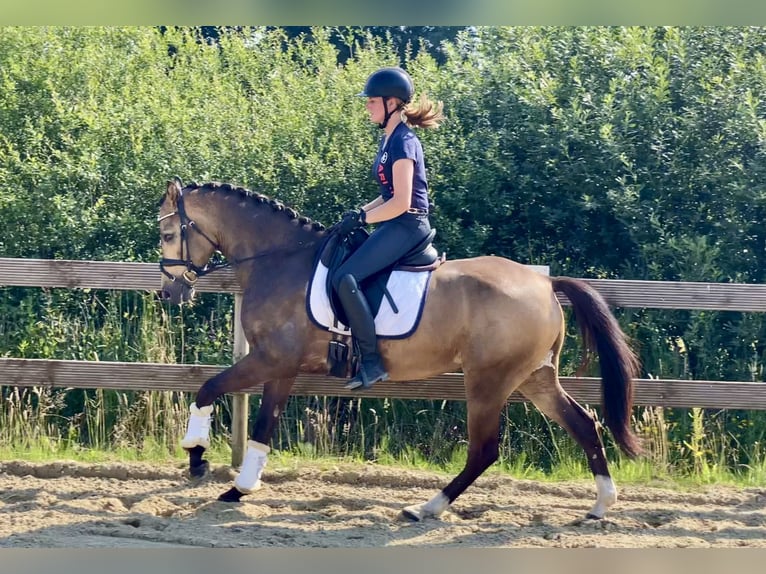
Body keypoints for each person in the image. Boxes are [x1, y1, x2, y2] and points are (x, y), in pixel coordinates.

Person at [331, 66, 445, 390]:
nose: (366, 106)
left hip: (408, 225)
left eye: (371, 101)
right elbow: (386, 195)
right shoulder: (389, 138)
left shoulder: (404, 142)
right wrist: (357, 213)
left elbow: (402, 201)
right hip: (396, 222)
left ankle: (371, 362)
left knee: (345, 277)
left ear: (391, 103)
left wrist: (365, 219)